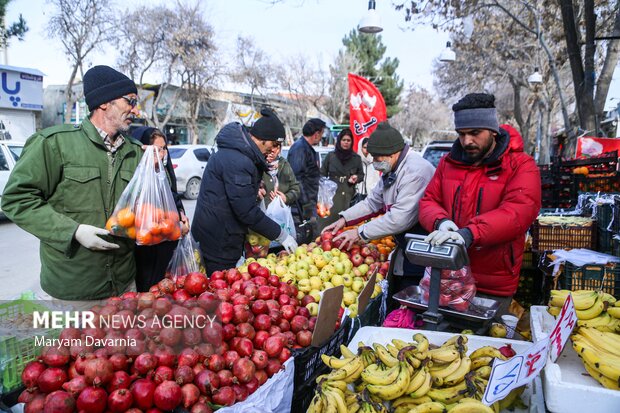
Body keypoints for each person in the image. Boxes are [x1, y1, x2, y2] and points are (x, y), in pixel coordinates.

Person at [1, 65, 143, 309]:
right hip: (74, 291)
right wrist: (73, 231)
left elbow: (146, 206)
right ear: (104, 103)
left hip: (124, 285)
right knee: (79, 348)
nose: (136, 110)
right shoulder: (55, 144)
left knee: (123, 346)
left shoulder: (136, 152)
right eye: (130, 101)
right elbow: (17, 200)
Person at [419, 93, 541, 316]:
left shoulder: (521, 165)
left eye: (475, 133)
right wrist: (441, 221)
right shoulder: (448, 163)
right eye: (462, 134)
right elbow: (429, 200)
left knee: (485, 344)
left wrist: (470, 233)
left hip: (493, 283)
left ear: (492, 131)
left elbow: (518, 212)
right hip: (449, 278)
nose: (467, 141)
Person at [192, 108, 298, 275]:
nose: (275, 150)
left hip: (221, 234)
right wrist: (281, 235)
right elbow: (246, 212)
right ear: (262, 139)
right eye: (274, 144)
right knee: (219, 289)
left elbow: (235, 192)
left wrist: (254, 188)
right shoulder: (238, 160)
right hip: (219, 239)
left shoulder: (241, 154)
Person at [323, 121, 435, 254]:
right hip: (404, 239)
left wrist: (359, 232)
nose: (374, 162)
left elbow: (399, 219)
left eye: (377, 158)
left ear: (392, 154)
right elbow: (372, 202)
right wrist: (344, 219)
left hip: (421, 242)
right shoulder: (392, 168)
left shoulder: (415, 173)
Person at [131, 126, 190, 292]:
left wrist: (181, 215)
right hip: (145, 246)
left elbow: (173, 197)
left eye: (164, 149)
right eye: (157, 149)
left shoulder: (164, 172)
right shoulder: (136, 173)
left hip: (166, 243)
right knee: (146, 290)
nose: (162, 154)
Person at [287, 118, 326, 242]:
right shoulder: (299, 149)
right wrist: (307, 205)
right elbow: (296, 178)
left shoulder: (306, 148)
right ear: (316, 134)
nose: (321, 137)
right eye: (322, 134)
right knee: (305, 240)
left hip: (307, 204)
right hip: (301, 207)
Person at [318, 128, 364, 230]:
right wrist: (325, 189)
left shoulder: (356, 158)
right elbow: (321, 174)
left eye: (348, 140)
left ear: (352, 142)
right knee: (328, 224)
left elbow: (361, 175)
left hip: (348, 194)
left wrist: (356, 178)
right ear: (339, 141)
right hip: (332, 194)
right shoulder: (331, 156)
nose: (346, 143)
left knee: (345, 224)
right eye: (344, 140)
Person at [262, 143, 301, 209]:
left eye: (277, 147)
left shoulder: (284, 164)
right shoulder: (257, 164)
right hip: (261, 213)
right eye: (271, 146)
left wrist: (286, 198)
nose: (273, 151)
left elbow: (296, 189)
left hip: (280, 213)